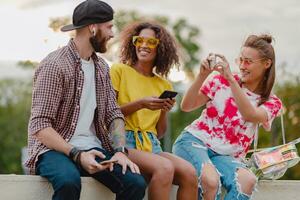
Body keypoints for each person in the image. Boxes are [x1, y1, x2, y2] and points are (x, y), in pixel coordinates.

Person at [25, 1, 146, 200]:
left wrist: (120, 151)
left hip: (93, 148)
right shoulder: (54, 66)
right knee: (68, 181)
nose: (112, 34)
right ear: (92, 28)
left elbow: (113, 114)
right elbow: (40, 125)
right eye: (109, 27)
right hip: (54, 150)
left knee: (134, 183)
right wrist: (77, 155)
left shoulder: (101, 68)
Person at [172, 34, 282, 200]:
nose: (242, 66)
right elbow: (186, 106)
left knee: (247, 180)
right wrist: (202, 75)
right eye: (240, 60)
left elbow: (250, 115)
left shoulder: (272, 102)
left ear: (267, 64)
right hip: (194, 142)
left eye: (248, 61)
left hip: (225, 156)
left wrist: (231, 79)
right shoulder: (220, 81)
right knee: (210, 181)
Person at [110, 21, 198, 200]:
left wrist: (164, 111)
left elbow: (159, 133)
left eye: (151, 42)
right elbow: (109, 113)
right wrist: (140, 104)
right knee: (164, 167)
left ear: (161, 48)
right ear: (132, 43)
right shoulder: (119, 71)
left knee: (190, 173)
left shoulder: (163, 84)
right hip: (124, 141)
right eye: (139, 40)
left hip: (152, 145)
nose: (143, 45)